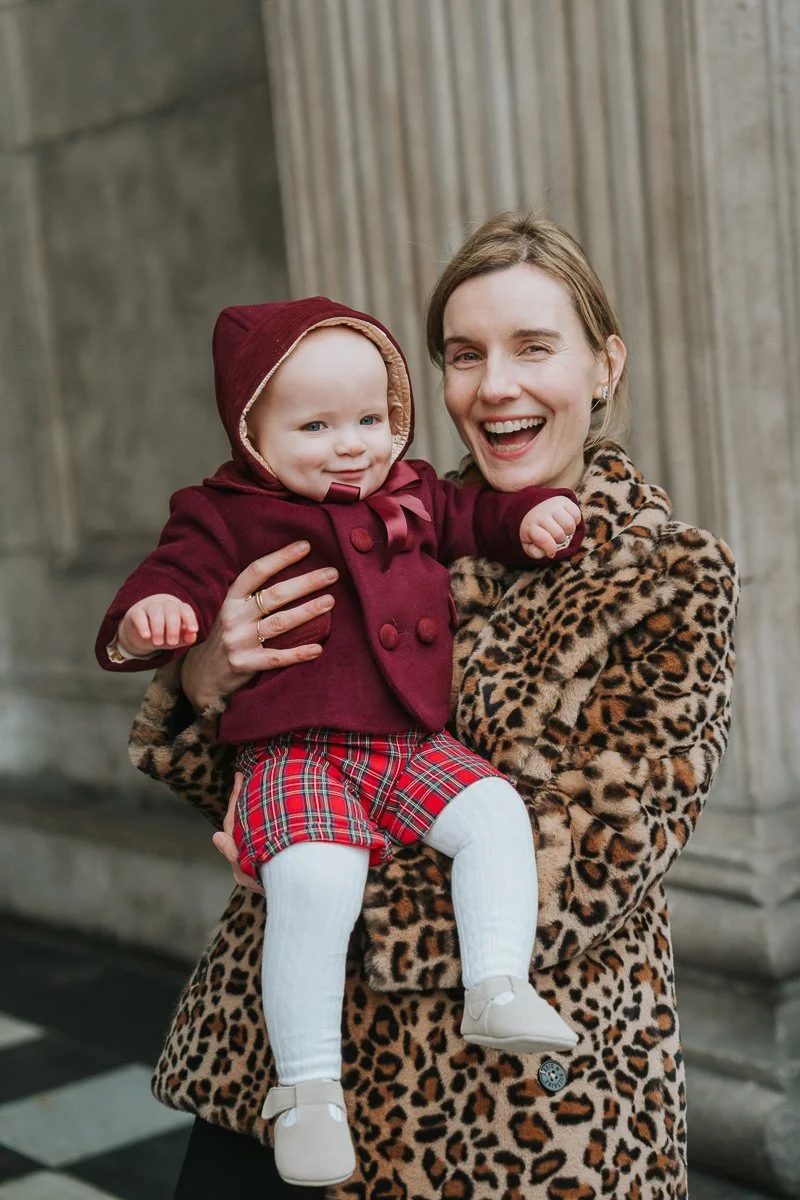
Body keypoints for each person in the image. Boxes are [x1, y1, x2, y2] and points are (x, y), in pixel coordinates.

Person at [128, 213, 739, 1199]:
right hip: (283, 1065)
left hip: (514, 1113)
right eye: (463, 354)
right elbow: (226, 770)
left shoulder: (666, 578)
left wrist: (313, 874)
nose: (492, 383)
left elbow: (591, 861)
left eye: (531, 346)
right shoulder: (367, 516)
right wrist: (208, 681)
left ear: (602, 364)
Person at [96, 297, 585, 1187]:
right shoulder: (226, 512)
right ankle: (309, 1087)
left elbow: (478, 516)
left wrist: (527, 520)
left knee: (492, 809)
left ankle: (498, 981)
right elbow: (174, 575)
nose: (352, 444)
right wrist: (158, 630)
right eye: (316, 425)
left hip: (405, 743)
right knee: (317, 878)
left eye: (370, 419)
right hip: (296, 752)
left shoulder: (413, 490)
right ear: (252, 432)